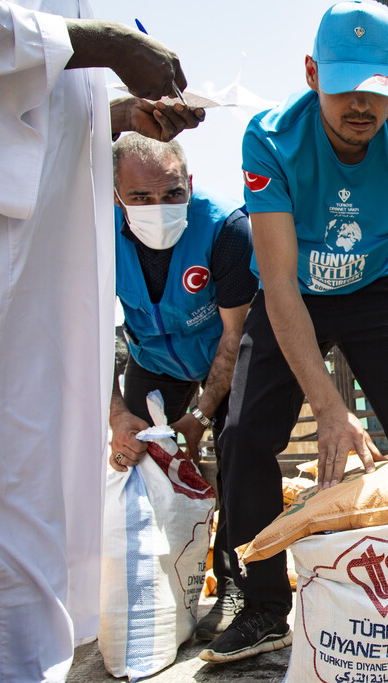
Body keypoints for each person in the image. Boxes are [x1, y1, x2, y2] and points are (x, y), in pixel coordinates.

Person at [202, 1, 388, 662]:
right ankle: (264, 607)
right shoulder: (270, 138)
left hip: (377, 286)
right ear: (313, 73)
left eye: (377, 89)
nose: (361, 105)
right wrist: (328, 406)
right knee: (243, 436)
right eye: (345, 86)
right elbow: (278, 283)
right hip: (295, 292)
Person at [0, 1, 201, 680]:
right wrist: (98, 43)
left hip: (47, 238)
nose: (156, 210)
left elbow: (43, 111)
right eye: (142, 199)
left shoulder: (216, 229)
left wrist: (116, 115)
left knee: (27, 461)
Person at [108, 134, 257, 641]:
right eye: (140, 197)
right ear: (116, 196)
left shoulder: (227, 229)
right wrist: (116, 415)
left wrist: (202, 415)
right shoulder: (94, 237)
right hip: (152, 359)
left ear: (189, 184)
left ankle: (236, 584)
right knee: (136, 457)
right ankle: (151, 587)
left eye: (172, 193)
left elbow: (235, 334)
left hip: (222, 351)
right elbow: (83, 335)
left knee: (240, 449)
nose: (159, 207)